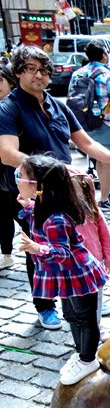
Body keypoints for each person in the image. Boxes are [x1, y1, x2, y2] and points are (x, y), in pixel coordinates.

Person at [0, 45, 110, 330]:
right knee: (38, 248)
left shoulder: (56, 105)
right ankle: (45, 305)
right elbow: (7, 153)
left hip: (65, 187)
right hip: (32, 190)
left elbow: (86, 143)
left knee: (72, 242)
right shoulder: (9, 108)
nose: (39, 75)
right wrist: (55, 169)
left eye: (44, 69)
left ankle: (79, 294)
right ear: (19, 72)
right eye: (32, 69)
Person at [16, 155, 107, 385]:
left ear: (38, 186)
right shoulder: (42, 207)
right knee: (71, 316)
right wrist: (28, 208)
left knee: (85, 318)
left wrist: (38, 248)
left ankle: (88, 360)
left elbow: (62, 252)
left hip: (78, 274)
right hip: (67, 276)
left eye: (21, 177)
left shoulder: (56, 218)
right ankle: (81, 354)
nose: (16, 180)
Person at [69, 41, 110, 210]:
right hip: (106, 123)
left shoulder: (77, 73)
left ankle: (100, 195)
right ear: (104, 56)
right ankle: (104, 200)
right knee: (107, 161)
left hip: (84, 123)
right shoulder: (107, 75)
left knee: (97, 158)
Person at [73, 172, 110, 327]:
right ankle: (82, 322)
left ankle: (96, 324)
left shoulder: (94, 211)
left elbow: (105, 236)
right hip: (75, 264)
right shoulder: (64, 213)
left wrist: (108, 259)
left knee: (97, 293)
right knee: (78, 296)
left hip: (95, 262)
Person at [0, 65, 18, 270]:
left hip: (15, 173)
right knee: (3, 215)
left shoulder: (15, 108)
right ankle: (6, 253)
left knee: (21, 212)